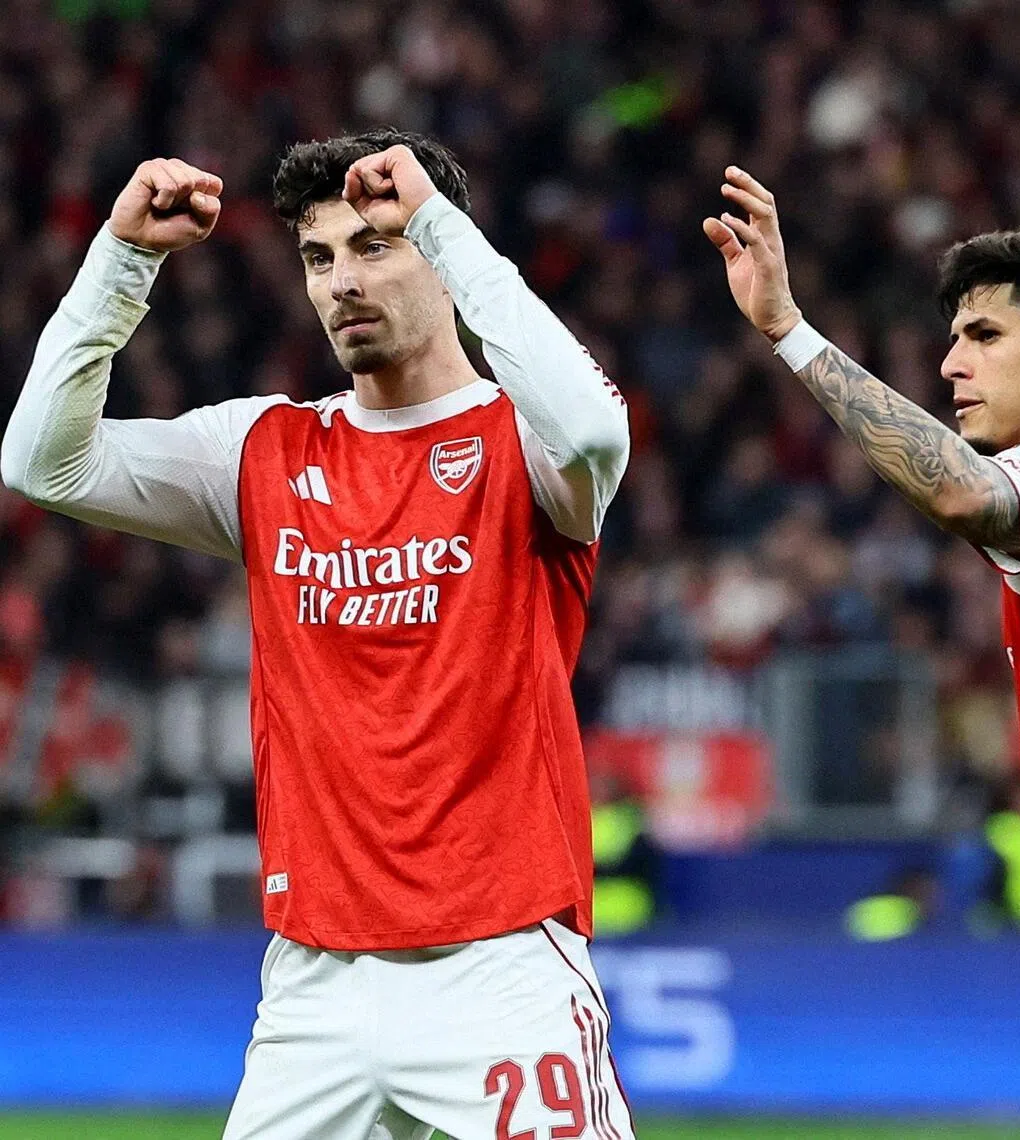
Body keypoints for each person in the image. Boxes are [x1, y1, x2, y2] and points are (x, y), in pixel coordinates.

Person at [2, 130, 634, 1140]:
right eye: (318, 257)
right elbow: (44, 463)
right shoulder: (261, 449)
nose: (342, 280)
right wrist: (122, 263)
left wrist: (442, 226)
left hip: (502, 966)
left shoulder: (525, 441)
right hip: (314, 987)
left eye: (376, 244)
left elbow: (601, 434)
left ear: (442, 245)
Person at [705, 164, 1020, 1135]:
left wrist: (789, 331)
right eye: (952, 337)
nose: (950, 364)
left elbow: (956, 492)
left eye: (983, 336)